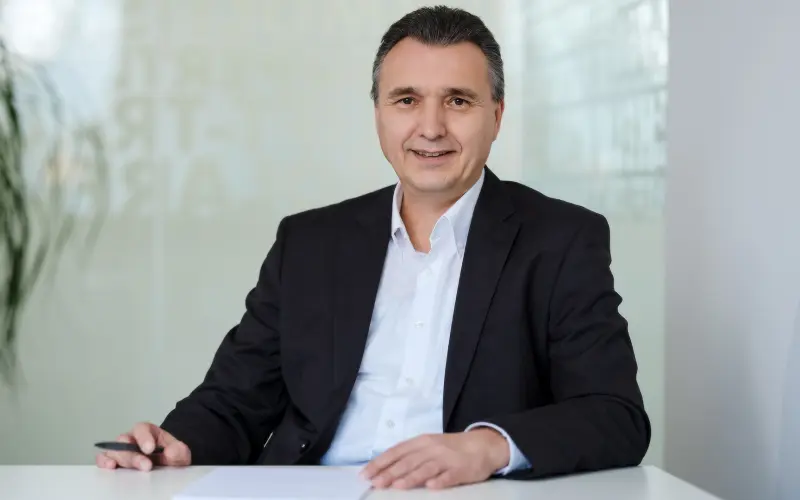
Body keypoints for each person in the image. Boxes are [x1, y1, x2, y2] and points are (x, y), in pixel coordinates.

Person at [96, 6, 650, 490]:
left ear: (496, 116)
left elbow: (615, 415)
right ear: (379, 114)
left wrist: (487, 447)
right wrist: (176, 443)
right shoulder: (309, 242)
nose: (430, 127)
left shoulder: (560, 239)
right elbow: (235, 399)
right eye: (406, 100)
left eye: (458, 101)